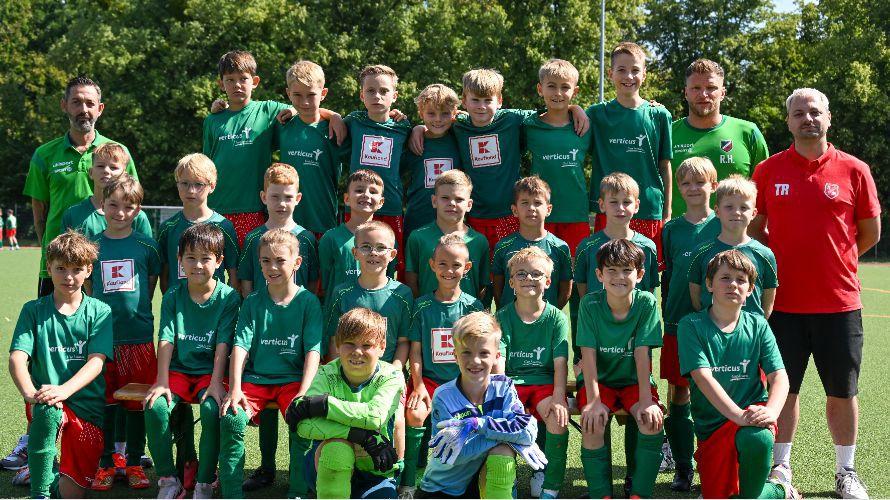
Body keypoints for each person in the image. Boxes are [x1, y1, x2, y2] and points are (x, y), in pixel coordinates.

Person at [750, 88, 881, 499]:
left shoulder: (855, 169)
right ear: (788, 121)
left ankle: (846, 472)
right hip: (782, 305)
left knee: (842, 391)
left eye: (815, 112)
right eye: (799, 113)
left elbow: (870, 233)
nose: (807, 118)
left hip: (839, 304)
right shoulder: (768, 170)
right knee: (783, 391)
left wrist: (837, 260)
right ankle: (781, 467)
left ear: (828, 118)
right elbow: (755, 228)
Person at [410, 68, 588, 254]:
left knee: (511, 263)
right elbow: (437, 123)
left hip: (510, 214)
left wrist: (574, 108)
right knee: (478, 264)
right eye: (475, 100)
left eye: (488, 100)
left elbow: (551, 111)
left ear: (500, 100)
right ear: (464, 101)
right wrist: (419, 128)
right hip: (474, 215)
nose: (481, 106)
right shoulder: (459, 125)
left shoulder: (512, 119)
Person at [677, 250, 798, 499]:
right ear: (709, 284)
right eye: (725, 278)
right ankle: (778, 490)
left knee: (758, 436)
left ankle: (775, 489)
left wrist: (771, 412)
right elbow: (703, 378)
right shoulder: (691, 325)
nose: (733, 284)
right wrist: (737, 416)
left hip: (751, 417)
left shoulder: (758, 325)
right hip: (713, 427)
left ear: (750, 289)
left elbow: (780, 377)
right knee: (719, 495)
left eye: (741, 280)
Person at [218, 229, 323, 499]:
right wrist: (235, 389)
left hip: (293, 381)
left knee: (303, 418)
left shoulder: (309, 302)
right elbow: (240, 346)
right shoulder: (252, 302)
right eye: (266, 261)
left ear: (296, 263)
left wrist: (304, 392)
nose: (272, 267)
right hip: (256, 380)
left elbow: (313, 351)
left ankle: (298, 491)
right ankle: (231, 494)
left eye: (280, 260)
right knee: (232, 418)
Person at [9, 231, 112, 498]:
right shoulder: (33, 310)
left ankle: (47, 474)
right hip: (46, 401)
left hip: (86, 407)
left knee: (71, 494)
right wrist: (30, 395)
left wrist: (64, 390)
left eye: (77, 269)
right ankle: (39, 491)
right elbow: (17, 357)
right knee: (48, 409)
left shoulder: (100, 311)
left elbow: (96, 362)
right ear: (49, 267)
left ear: (89, 270)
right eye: (61, 268)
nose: (69, 277)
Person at [143, 224, 241, 499]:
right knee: (155, 406)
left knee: (211, 409)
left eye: (205, 258)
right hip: (178, 371)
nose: (197, 265)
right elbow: (166, 337)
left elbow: (223, 342)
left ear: (219, 261)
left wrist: (216, 383)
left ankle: (205, 481)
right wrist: (162, 381)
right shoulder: (173, 295)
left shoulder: (229, 297)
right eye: (190, 257)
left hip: (210, 372)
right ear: (180, 260)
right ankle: (168, 480)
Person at [23, 74, 138, 298]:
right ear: (64, 105)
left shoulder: (119, 153)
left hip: (107, 262)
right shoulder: (44, 155)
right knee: (54, 320)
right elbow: (39, 215)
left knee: (106, 320)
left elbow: (131, 202)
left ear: (100, 108)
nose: (83, 109)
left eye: (89, 103)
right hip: (60, 266)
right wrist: (53, 251)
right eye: (76, 102)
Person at [84, 175, 160, 491]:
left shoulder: (147, 245)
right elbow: (88, 289)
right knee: (106, 403)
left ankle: (134, 462)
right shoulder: (92, 246)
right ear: (102, 205)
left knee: (137, 403)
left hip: (138, 339)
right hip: (103, 340)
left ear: (137, 209)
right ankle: (104, 463)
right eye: (113, 205)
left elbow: (151, 283)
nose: (120, 212)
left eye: (128, 207)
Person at [418, 311, 545, 498]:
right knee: (505, 444)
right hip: (443, 487)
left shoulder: (504, 387)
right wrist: (509, 438)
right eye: (466, 352)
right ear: (455, 355)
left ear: (496, 356)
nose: (475, 361)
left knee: (503, 451)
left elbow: (528, 431)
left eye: (484, 353)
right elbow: (455, 454)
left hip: (482, 480)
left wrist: (479, 424)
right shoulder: (443, 396)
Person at [577, 239, 664, 499]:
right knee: (592, 423)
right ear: (599, 275)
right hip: (599, 382)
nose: (619, 277)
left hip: (634, 382)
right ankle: (601, 494)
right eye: (611, 270)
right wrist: (593, 401)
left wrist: (647, 401)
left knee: (651, 421)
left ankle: (639, 493)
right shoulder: (590, 304)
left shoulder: (646, 302)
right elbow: (588, 355)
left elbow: (641, 354)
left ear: (640, 274)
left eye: (627, 270)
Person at [289, 308, 405, 499]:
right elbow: (303, 425)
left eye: (367, 345)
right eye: (349, 343)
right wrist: (361, 436)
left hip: (376, 471)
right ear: (337, 344)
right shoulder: (326, 374)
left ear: (382, 347)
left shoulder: (392, 376)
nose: (357, 352)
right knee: (338, 449)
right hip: (325, 463)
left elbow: (374, 416)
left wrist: (325, 405)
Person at [402, 234, 485, 497]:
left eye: (456, 265)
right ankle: (409, 481)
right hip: (429, 381)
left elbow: (479, 354)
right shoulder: (422, 306)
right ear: (432, 265)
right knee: (415, 414)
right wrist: (418, 386)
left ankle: (469, 479)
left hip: (462, 384)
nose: (449, 270)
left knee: (473, 421)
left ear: (467, 267)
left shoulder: (473, 306)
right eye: (443, 264)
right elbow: (416, 351)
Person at [659, 156, 721, 491]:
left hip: (715, 326)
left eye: (700, 182)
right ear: (679, 189)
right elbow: (668, 276)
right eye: (686, 183)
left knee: (712, 397)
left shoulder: (722, 224)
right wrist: (668, 315)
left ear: (713, 185)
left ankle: (712, 465)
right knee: (678, 393)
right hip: (677, 324)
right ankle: (683, 467)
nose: (693, 188)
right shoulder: (671, 230)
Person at [587, 42, 672, 261]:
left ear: (644, 74)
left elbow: (665, 166)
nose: (629, 76)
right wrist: (574, 108)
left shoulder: (659, 115)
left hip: (648, 209)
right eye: (622, 70)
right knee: (608, 269)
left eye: (635, 70)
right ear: (610, 74)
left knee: (645, 271)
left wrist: (667, 212)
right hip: (609, 209)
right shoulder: (596, 114)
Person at [497, 247, 570, 499]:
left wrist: (559, 398)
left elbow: (560, 363)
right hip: (511, 384)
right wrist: (500, 398)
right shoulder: (503, 316)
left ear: (548, 282)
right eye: (521, 274)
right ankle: (507, 478)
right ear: (511, 283)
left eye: (536, 274)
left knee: (557, 418)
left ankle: (548, 483)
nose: (528, 278)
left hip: (544, 384)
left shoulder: (556, 318)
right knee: (502, 419)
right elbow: (498, 362)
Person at [670, 58, 769, 215]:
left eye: (711, 88)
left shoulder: (748, 132)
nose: (703, 94)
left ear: (722, 93)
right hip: (678, 230)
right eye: (696, 88)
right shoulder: (667, 133)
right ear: (686, 93)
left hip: (737, 230)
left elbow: (764, 192)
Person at [340, 65, 412, 272]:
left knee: (390, 264)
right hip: (358, 208)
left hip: (390, 206)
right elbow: (321, 116)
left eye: (384, 91)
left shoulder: (403, 127)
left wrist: (417, 129)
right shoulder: (354, 121)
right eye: (370, 91)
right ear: (362, 95)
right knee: (355, 263)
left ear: (394, 96)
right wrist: (333, 116)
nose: (377, 96)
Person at [523, 58, 592, 255]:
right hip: (538, 213)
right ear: (540, 89)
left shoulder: (585, 125)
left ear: (575, 92)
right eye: (551, 86)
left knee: (575, 268)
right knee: (538, 266)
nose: (558, 93)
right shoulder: (528, 125)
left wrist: (576, 108)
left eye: (565, 87)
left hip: (575, 213)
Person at [688, 175, 777, 317]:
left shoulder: (765, 254)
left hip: (750, 329)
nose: (736, 212)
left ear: (754, 213)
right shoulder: (701, 252)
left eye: (744, 207)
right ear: (717, 211)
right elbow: (696, 299)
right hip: (711, 327)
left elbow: (768, 301)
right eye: (729, 207)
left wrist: (755, 325)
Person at [276, 60, 342, 238]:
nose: (304, 102)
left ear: (323, 93)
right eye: (297, 95)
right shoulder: (282, 125)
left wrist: (335, 116)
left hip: (322, 220)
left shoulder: (335, 128)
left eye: (311, 95)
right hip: (286, 222)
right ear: (288, 94)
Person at [157, 153, 239, 294]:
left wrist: (226, 303)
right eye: (184, 183)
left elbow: (234, 274)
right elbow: (164, 276)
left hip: (215, 306)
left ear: (212, 186)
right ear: (177, 185)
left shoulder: (224, 226)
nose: (191, 190)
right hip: (179, 306)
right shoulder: (167, 228)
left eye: (198, 184)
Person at [404, 169, 489, 300]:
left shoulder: (479, 241)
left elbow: (483, 286)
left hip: (469, 312)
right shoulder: (418, 237)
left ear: (469, 205)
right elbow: (411, 281)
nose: (452, 203)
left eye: (459, 199)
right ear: (434, 201)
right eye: (445, 198)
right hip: (427, 312)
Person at [491, 176, 572, 309]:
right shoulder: (503, 246)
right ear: (514, 210)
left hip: (545, 320)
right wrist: (508, 313)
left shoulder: (560, 247)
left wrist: (548, 314)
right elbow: (497, 290)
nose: (531, 208)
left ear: (548, 209)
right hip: (510, 319)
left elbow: (565, 291)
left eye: (537, 202)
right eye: (524, 202)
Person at [239, 163, 319, 296]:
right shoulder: (253, 238)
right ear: (264, 197)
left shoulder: (307, 238)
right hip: (261, 309)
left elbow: (313, 281)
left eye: (288, 197)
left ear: (298, 198)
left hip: (297, 308)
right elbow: (246, 283)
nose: (281, 203)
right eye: (275, 197)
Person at [575, 173, 660, 297]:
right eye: (613, 202)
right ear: (602, 205)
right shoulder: (587, 247)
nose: (620, 208)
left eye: (626, 202)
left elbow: (650, 291)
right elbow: (582, 291)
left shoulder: (648, 247)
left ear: (636, 206)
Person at [318, 169, 395, 306]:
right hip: (339, 313)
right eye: (359, 190)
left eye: (373, 191)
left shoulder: (386, 239)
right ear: (346, 199)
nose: (366, 195)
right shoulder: (330, 238)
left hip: (375, 313)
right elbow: (325, 284)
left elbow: (387, 279)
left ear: (381, 202)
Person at [403, 84, 461, 240]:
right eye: (431, 113)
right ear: (421, 113)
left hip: (453, 222)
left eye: (445, 113)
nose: (438, 119)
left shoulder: (460, 138)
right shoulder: (412, 141)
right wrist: (417, 129)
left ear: (454, 113)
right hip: (417, 220)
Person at [60, 142, 152, 239]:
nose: (106, 171)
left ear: (124, 174)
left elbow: (147, 247)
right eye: (100, 166)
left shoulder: (136, 216)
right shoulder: (73, 214)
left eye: (114, 167)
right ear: (91, 172)